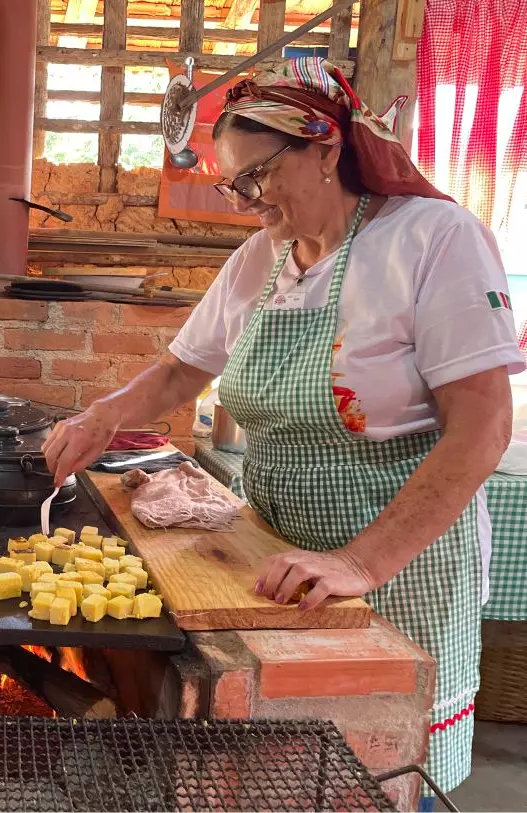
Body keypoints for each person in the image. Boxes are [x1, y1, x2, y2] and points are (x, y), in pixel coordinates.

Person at [43, 57, 523, 799]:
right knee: (279, 769)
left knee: (376, 774)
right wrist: (100, 416)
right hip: (273, 557)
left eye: (256, 178)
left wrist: (361, 563)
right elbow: (180, 371)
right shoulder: (260, 259)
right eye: (233, 185)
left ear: (325, 148)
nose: (244, 202)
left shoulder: (431, 239)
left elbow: (483, 428)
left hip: (394, 564)